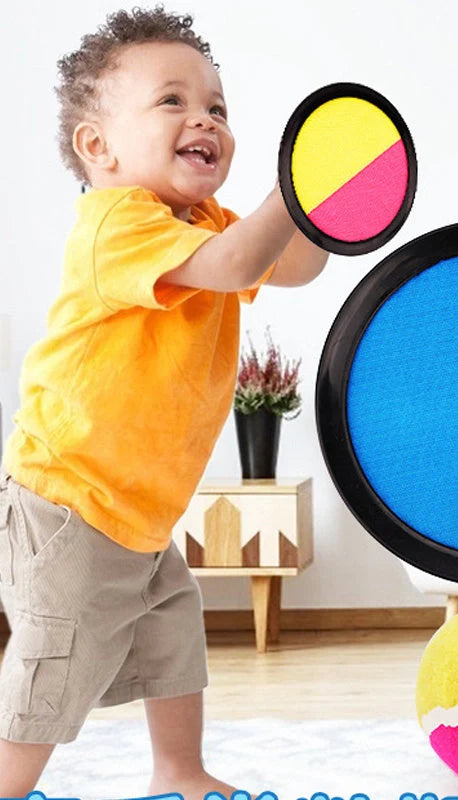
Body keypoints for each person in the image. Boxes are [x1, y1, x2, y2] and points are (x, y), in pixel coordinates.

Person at [0, 6, 329, 797]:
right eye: (172, 101)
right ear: (98, 147)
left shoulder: (206, 222)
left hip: (140, 513)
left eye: (217, 106)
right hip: (70, 505)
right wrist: (285, 195)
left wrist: (323, 200)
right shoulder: (117, 223)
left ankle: (180, 773)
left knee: (175, 637)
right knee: (54, 665)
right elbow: (236, 260)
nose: (204, 119)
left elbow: (297, 267)